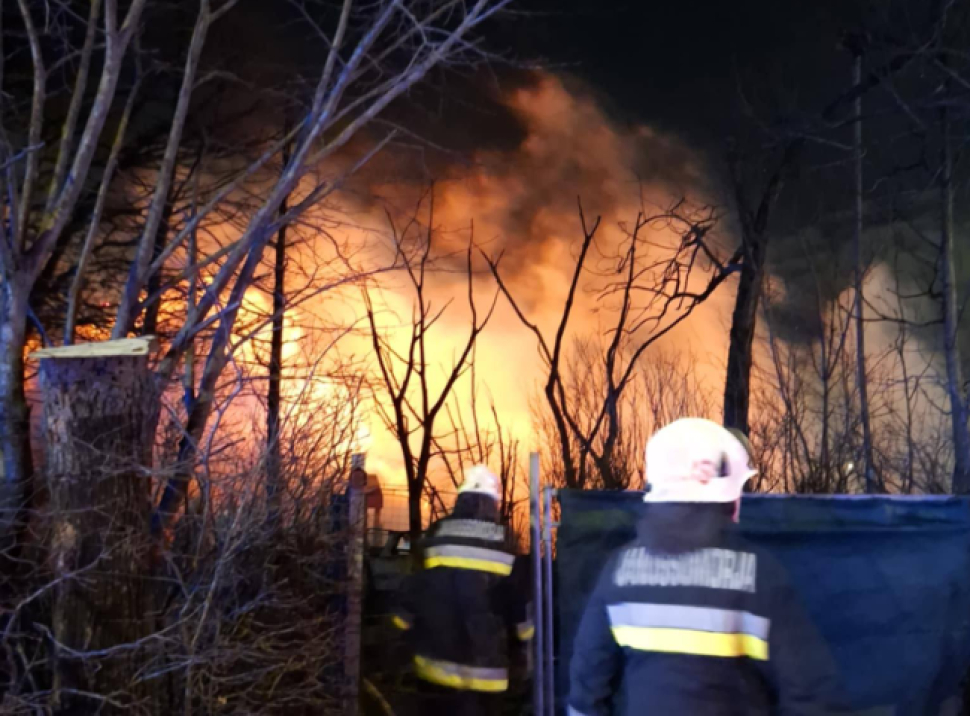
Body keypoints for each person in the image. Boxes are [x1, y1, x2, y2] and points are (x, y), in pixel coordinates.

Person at [568, 418, 838, 716]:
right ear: (728, 495)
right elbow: (810, 693)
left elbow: (587, 684)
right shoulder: (758, 573)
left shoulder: (619, 570)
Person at [392, 465, 533, 716]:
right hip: (487, 675)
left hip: (434, 669)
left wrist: (400, 630)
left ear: (460, 499)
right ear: (493, 502)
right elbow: (518, 605)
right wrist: (524, 648)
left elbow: (411, 592)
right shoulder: (506, 541)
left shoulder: (436, 532)